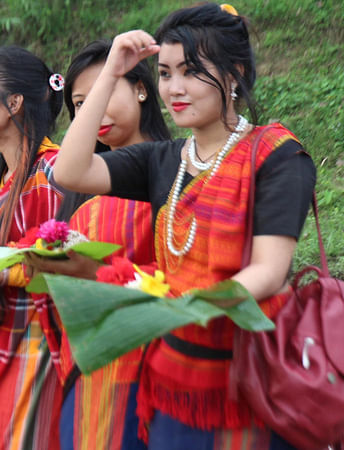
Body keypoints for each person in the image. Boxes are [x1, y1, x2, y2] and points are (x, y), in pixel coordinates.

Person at [53, 4, 315, 448]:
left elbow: (269, 271)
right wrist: (111, 71)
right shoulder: (166, 160)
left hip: (249, 376)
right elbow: (70, 170)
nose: (175, 88)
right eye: (165, 73)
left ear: (233, 74)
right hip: (174, 379)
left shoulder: (276, 155)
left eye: (191, 72)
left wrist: (181, 308)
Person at [26, 39, 170, 450]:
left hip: (149, 360)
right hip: (85, 361)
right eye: (81, 104)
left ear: (142, 88)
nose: (96, 112)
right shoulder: (80, 184)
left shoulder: (172, 167)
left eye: (105, 93)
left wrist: (102, 274)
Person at [0, 46, 66, 449]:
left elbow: (62, 261)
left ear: (14, 103)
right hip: (5, 336)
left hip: (40, 342)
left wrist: (3, 273)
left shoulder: (51, 169)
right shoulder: (2, 176)